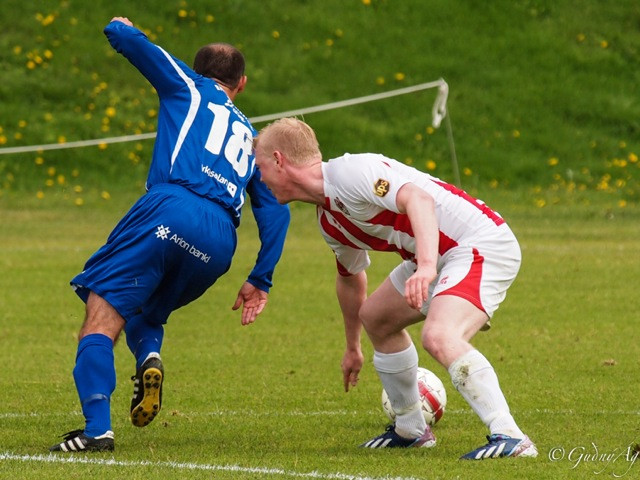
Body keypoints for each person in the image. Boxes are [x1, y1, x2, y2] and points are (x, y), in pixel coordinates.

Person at [49, 17, 290, 453]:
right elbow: (275, 210)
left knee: (102, 316)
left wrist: (120, 25)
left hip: (171, 210)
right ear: (242, 84)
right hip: (220, 242)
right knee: (144, 311)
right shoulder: (252, 140)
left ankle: (97, 431)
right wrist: (261, 277)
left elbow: (125, 39)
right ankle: (148, 357)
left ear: (199, 72)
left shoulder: (189, 86)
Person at [253, 117, 537, 460]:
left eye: (260, 166)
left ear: (279, 160)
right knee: (376, 317)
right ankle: (411, 430)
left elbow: (418, 200)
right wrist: (353, 346)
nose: (260, 178)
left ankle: (511, 436)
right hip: (436, 257)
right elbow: (350, 277)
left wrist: (427, 267)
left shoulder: (349, 172)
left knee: (439, 336)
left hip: (479, 243)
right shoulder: (328, 220)